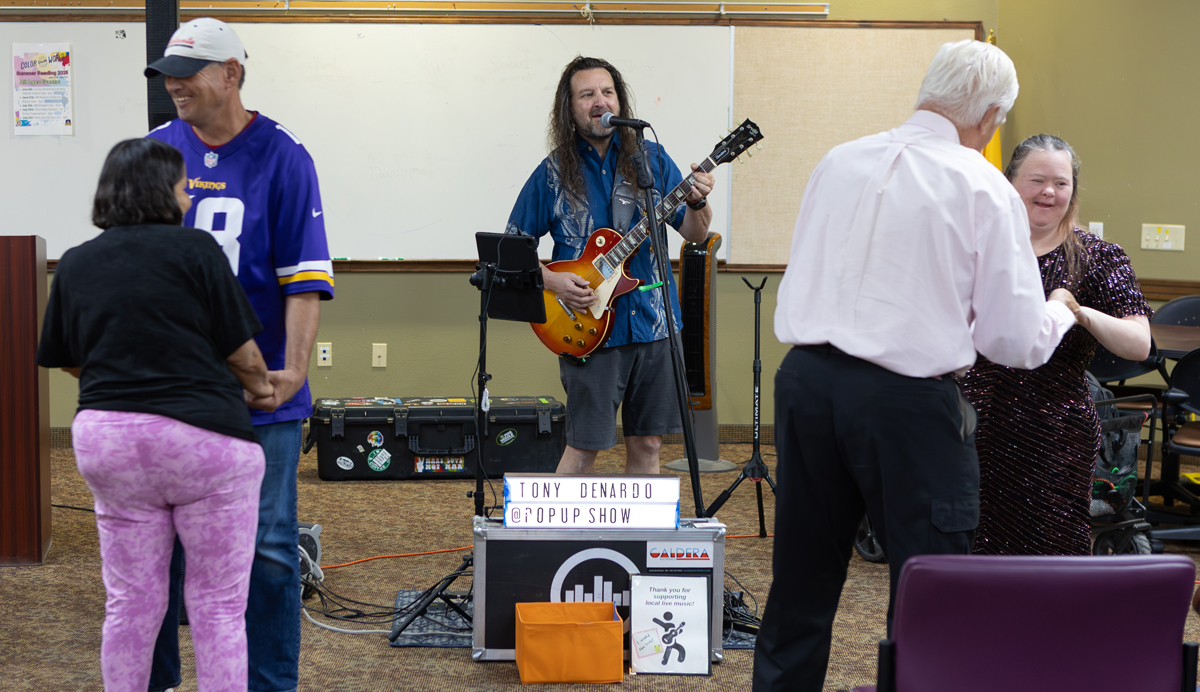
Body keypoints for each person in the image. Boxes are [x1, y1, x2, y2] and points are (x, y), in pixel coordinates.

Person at [754, 40, 1081, 692]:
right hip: (905, 404)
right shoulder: (982, 183)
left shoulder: (838, 161)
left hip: (806, 385)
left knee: (799, 581)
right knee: (933, 589)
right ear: (989, 117)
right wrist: (1063, 310)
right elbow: (1013, 340)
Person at [36, 138, 273, 692]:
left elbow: (68, 360)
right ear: (162, 190)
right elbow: (242, 351)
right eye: (182, 184)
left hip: (111, 445)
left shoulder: (75, 262)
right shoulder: (196, 250)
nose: (188, 196)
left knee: (130, 604)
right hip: (205, 444)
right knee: (217, 607)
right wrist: (262, 389)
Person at [143, 18, 334, 692]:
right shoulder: (155, 153)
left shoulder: (284, 157)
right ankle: (157, 680)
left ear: (231, 74)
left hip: (264, 393)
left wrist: (294, 374)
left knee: (271, 551)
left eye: (187, 71)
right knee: (157, 551)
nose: (172, 83)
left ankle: (269, 684)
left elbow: (304, 281)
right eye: (167, 72)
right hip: (171, 390)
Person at [505, 56, 714, 475]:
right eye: (587, 95)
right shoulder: (552, 173)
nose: (600, 102)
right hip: (587, 325)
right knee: (584, 447)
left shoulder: (651, 160)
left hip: (654, 324)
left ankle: (638, 540)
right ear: (569, 109)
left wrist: (697, 200)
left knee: (649, 443)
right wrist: (555, 281)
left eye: (608, 92)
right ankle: (556, 539)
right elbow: (511, 252)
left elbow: (694, 233)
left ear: (620, 100)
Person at [962, 134, 1151, 556]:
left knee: (1051, 556)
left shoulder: (1097, 256)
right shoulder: (978, 245)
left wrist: (1079, 312)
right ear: (1009, 183)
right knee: (972, 553)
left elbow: (1139, 344)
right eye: (1037, 180)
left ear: (1073, 191)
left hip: (1054, 433)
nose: (1049, 192)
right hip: (972, 425)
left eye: (1061, 183)